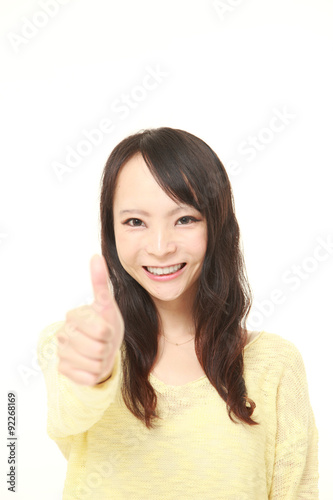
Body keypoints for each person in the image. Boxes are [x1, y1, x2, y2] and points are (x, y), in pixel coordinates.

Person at [37, 127, 319, 499]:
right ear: (111, 231)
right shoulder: (74, 342)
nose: (160, 247)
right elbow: (69, 412)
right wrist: (97, 372)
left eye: (184, 219)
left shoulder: (275, 365)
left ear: (217, 225)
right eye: (135, 222)